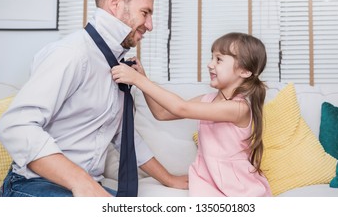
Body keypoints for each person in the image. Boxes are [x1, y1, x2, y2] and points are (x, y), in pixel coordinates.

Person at [0, 0, 188, 197]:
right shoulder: (71, 53)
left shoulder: (117, 66)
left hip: (82, 185)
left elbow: (123, 135)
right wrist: (80, 181)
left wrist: (169, 179)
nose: (150, 25)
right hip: (34, 184)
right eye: (145, 13)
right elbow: (15, 125)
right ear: (115, 4)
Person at [111, 32, 272, 196]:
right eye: (212, 58)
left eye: (219, 59)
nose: (210, 64)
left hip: (236, 186)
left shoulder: (238, 108)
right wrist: (142, 78)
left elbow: (181, 108)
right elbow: (162, 113)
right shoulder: (207, 100)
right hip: (208, 180)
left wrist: (138, 80)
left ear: (244, 71)